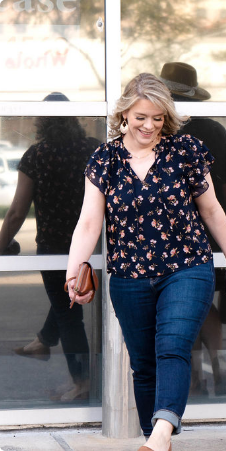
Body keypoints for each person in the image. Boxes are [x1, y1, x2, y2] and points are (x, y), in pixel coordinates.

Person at [65, 73, 226, 451]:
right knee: (144, 365)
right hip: (129, 276)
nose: (149, 126)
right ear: (125, 114)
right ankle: (157, 439)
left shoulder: (186, 151)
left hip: (186, 266)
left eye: (158, 118)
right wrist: (73, 271)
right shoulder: (105, 158)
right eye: (141, 117)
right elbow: (88, 221)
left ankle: (162, 434)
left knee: (173, 346)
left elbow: (211, 209)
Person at [0, 93, 97, 402]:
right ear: (73, 119)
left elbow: (17, 212)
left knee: (68, 315)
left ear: (42, 122)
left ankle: (82, 384)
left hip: (54, 248)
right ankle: (43, 340)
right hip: (91, 245)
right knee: (66, 304)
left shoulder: (36, 155)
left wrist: (1, 245)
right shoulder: (93, 149)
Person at [160, 61, 226, 396]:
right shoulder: (214, 130)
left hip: (170, 232)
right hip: (211, 231)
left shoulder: (161, 130)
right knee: (202, 302)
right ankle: (218, 366)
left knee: (183, 305)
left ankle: (196, 375)